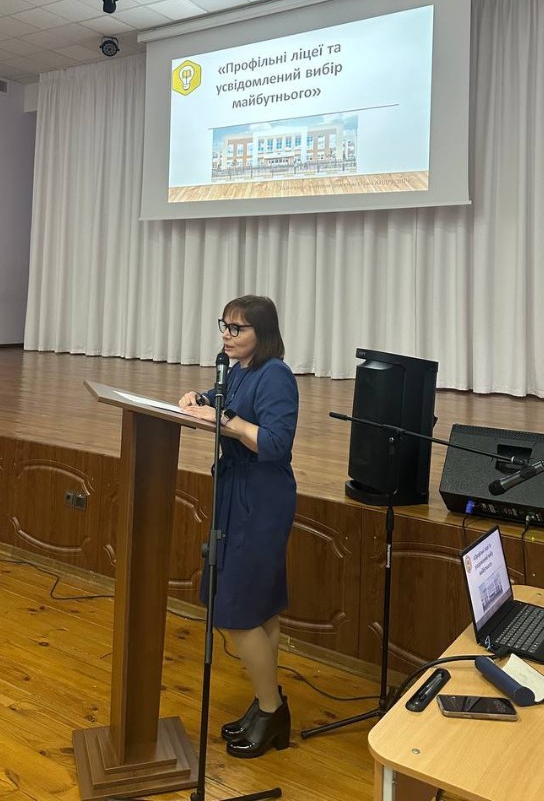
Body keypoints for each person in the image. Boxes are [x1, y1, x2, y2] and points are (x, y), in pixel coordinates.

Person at [179, 295, 298, 759]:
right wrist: (199, 400)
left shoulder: (276, 375)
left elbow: (274, 442)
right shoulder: (238, 371)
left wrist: (222, 417)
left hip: (261, 499)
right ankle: (268, 705)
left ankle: (271, 709)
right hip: (236, 490)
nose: (226, 336)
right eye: (224, 326)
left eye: (237, 328)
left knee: (237, 612)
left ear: (261, 333)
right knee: (262, 610)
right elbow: (222, 405)